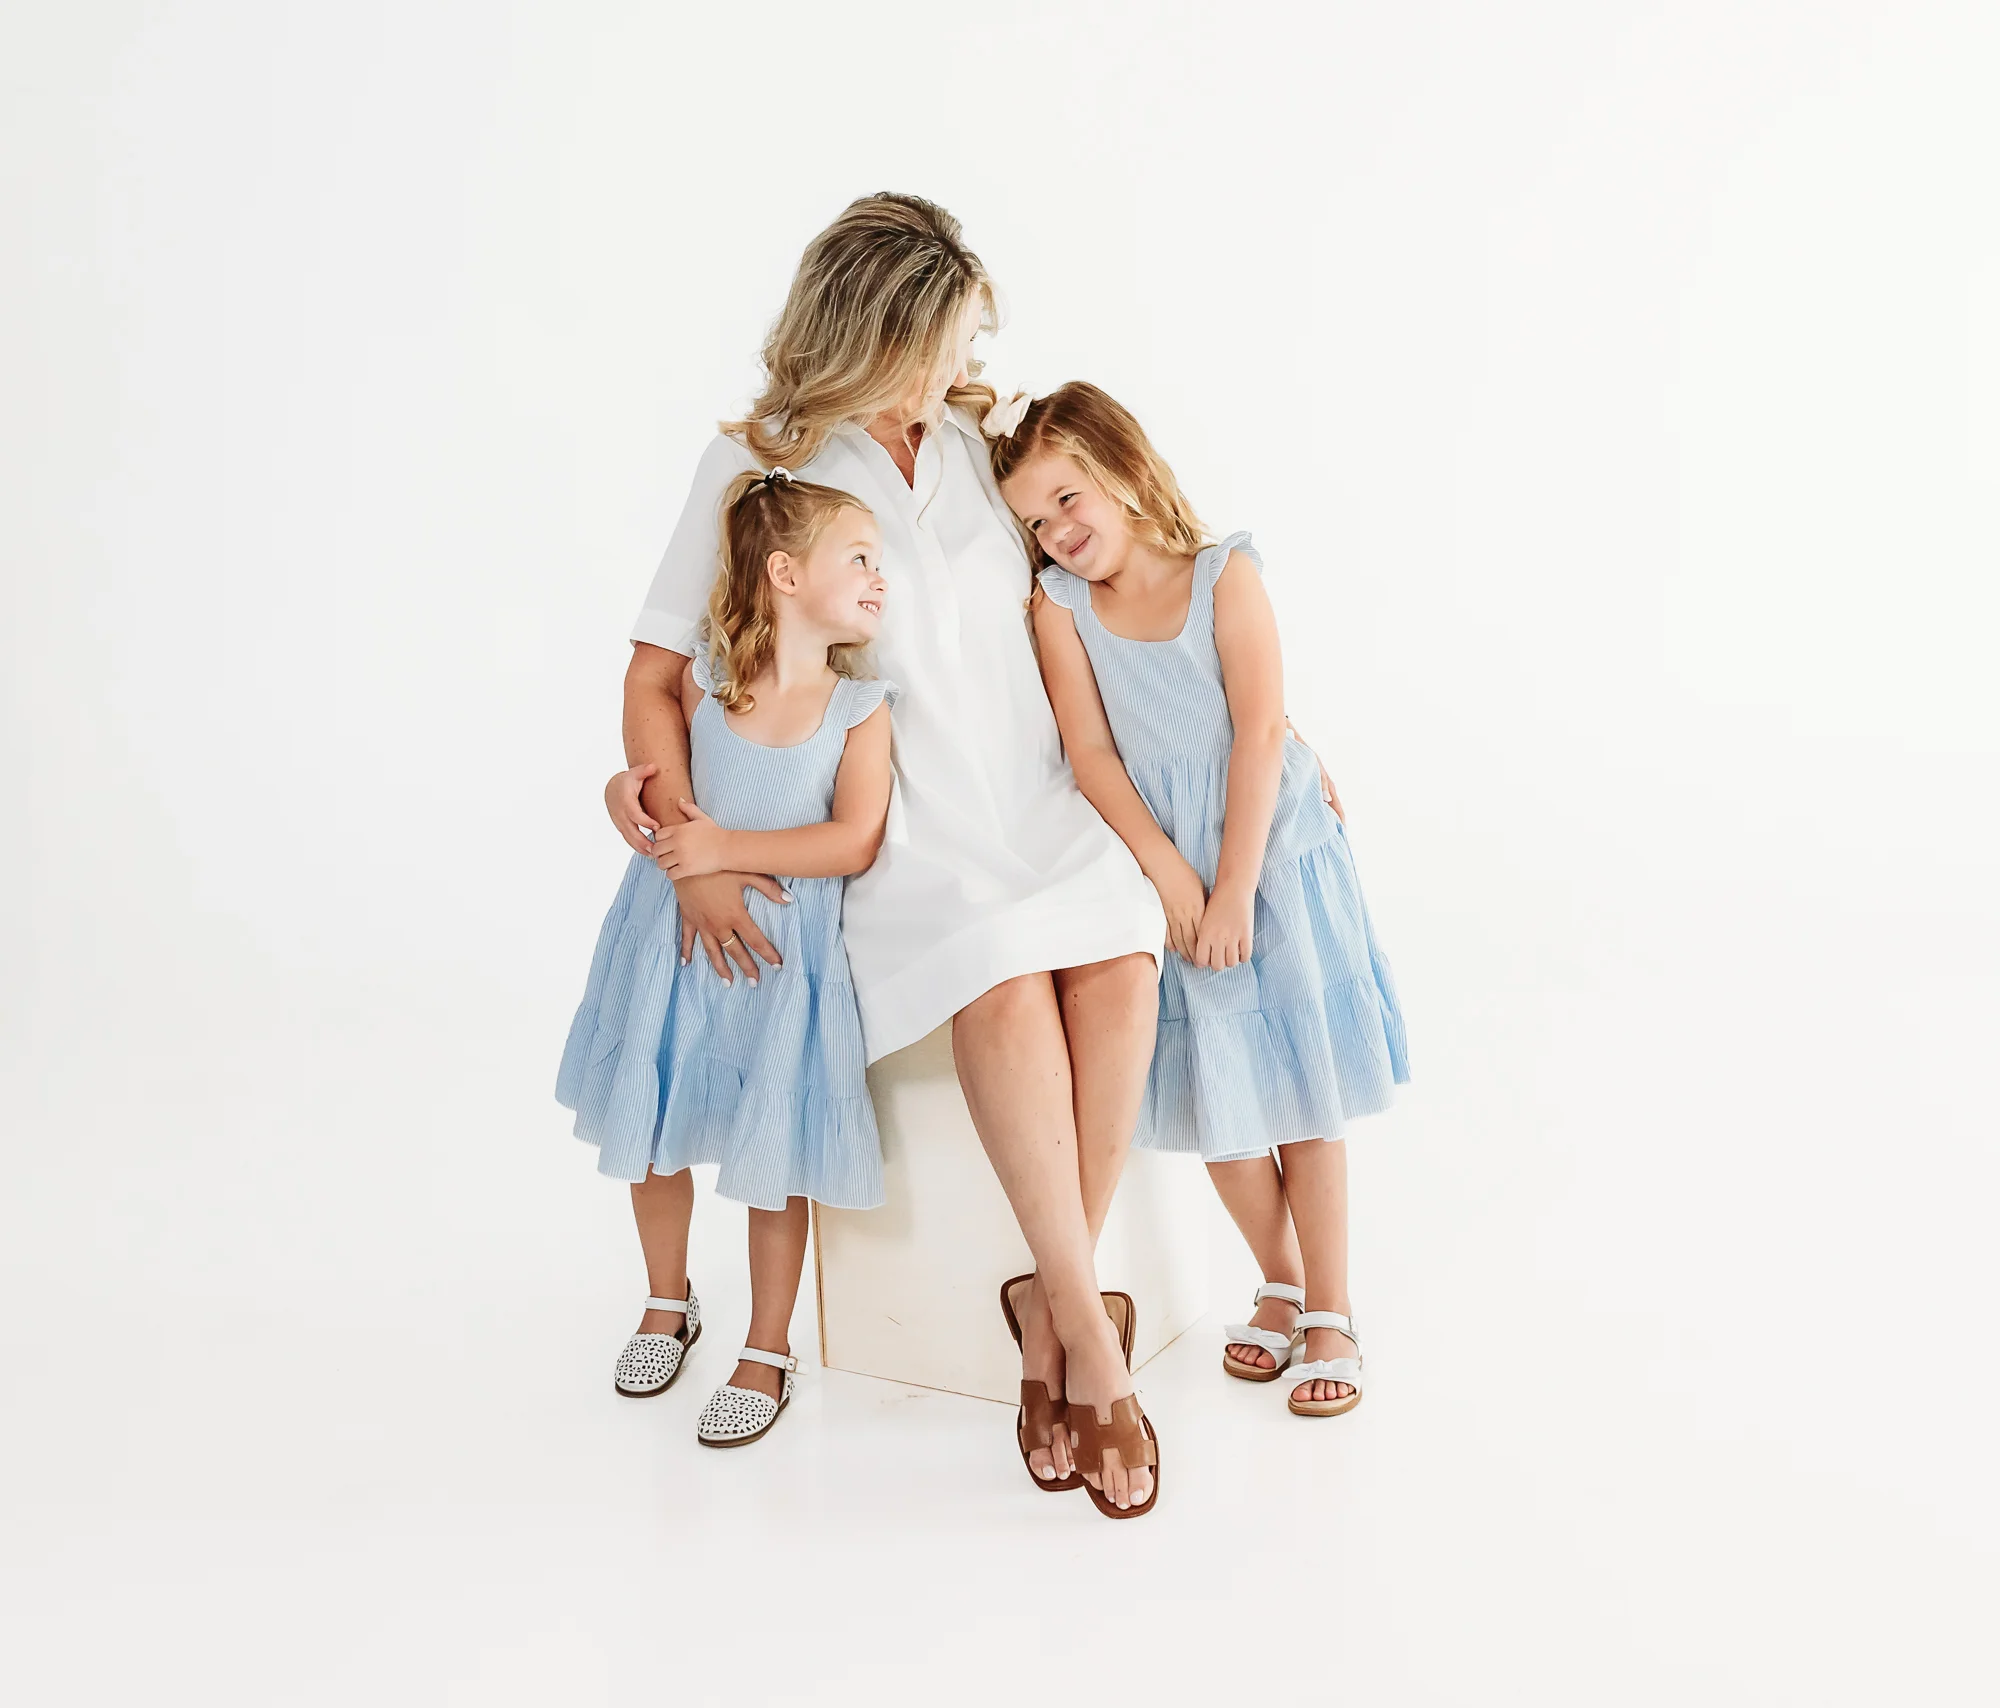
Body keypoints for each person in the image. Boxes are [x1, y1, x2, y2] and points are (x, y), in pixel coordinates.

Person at [602, 194, 1165, 1515]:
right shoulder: (757, 462)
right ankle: (1091, 1346)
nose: (954, 370)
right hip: (895, 819)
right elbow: (651, 670)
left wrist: (1260, 722)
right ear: (866, 335)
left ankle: (1055, 1310)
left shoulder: (981, 440)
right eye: (936, 344)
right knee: (1001, 969)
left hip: (1037, 787)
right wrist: (695, 846)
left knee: (1122, 955)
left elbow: (1114, 568)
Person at [993, 381, 1409, 1420]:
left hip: (1271, 850)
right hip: (1168, 875)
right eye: (1035, 519)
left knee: (1301, 1093)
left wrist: (1231, 885)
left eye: (1068, 498)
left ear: (1122, 468)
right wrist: (1173, 880)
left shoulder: (1225, 574)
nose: (1058, 530)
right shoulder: (1059, 607)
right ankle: (1276, 1280)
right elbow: (1089, 753)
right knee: (1225, 1107)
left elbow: (1260, 730)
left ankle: (1330, 1307)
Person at [557, 469, 895, 1448]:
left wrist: (726, 851)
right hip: (669, 942)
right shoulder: (709, 677)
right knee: (653, 1121)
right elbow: (650, 778)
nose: (880, 579)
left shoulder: (858, 706)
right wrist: (622, 792)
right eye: (859, 558)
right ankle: (667, 1299)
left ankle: (767, 1344)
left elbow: (851, 841)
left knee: (770, 1156)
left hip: (781, 964)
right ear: (785, 574)